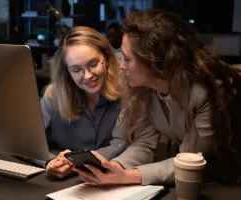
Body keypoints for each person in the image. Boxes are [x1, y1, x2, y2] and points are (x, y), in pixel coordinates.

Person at [74, 9, 241, 185]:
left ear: (154, 61)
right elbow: (144, 143)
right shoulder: (144, 89)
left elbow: (191, 161)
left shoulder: (205, 92)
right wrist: (115, 167)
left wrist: (127, 177)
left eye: (127, 58)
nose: (121, 66)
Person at [36, 26, 125, 179]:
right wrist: (50, 161)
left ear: (107, 58)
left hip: (107, 178)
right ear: (67, 72)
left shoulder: (125, 95)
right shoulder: (53, 95)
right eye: (76, 70)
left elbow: (119, 145)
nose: (88, 76)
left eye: (93, 64)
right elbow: (27, 144)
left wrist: (76, 160)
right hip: (60, 182)